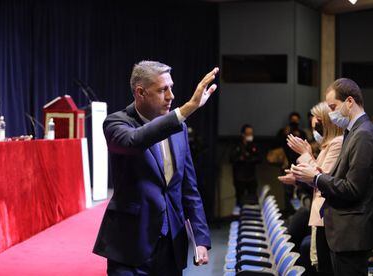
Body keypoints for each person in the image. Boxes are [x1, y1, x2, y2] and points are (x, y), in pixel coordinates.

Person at [93, 61, 218, 275]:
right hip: (130, 246)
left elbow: (188, 188)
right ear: (140, 92)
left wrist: (200, 238)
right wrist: (187, 109)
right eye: (162, 90)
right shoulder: (116, 123)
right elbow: (135, 141)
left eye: (171, 87)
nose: (171, 96)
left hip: (171, 247)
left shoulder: (180, 128)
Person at [291, 78, 373, 276]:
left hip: (352, 233)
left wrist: (315, 178)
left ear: (350, 101)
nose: (331, 114)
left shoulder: (364, 134)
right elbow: (340, 178)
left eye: (333, 106)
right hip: (344, 232)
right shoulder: (355, 132)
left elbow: (353, 188)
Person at [280, 102, 343, 275]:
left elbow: (323, 179)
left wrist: (305, 155)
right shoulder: (326, 147)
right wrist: (299, 178)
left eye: (318, 122)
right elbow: (317, 176)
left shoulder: (336, 144)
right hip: (319, 215)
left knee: (322, 267)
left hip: (325, 216)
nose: (315, 126)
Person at [276, 112, 307, 216]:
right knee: (287, 190)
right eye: (292, 120)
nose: (294, 122)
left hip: (299, 164)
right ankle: (288, 211)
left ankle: (298, 213)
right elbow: (276, 144)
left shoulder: (301, 132)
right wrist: (284, 134)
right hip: (286, 163)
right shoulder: (283, 131)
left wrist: (299, 136)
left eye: (296, 120)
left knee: (300, 189)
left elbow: (305, 146)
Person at [230, 124, 260, 215]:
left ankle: (252, 218)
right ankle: (240, 218)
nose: (250, 136)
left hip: (251, 176)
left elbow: (259, 159)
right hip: (240, 177)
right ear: (243, 134)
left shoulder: (254, 146)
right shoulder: (237, 146)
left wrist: (250, 159)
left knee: (252, 199)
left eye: (251, 133)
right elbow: (231, 159)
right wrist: (241, 159)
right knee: (240, 199)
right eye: (248, 133)